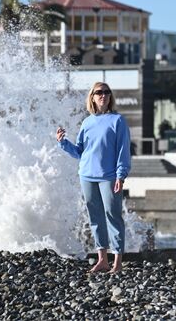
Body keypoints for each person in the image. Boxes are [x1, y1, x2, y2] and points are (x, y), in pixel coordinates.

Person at [56, 82, 131, 273]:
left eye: (107, 92)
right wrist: (63, 143)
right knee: (95, 217)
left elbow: (123, 151)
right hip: (87, 175)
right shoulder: (87, 122)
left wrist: (120, 176)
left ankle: (117, 262)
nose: (103, 95)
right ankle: (102, 260)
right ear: (92, 97)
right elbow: (80, 151)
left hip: (109, 176)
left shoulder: (118, 120)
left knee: (113, 216)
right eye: (99, 92)